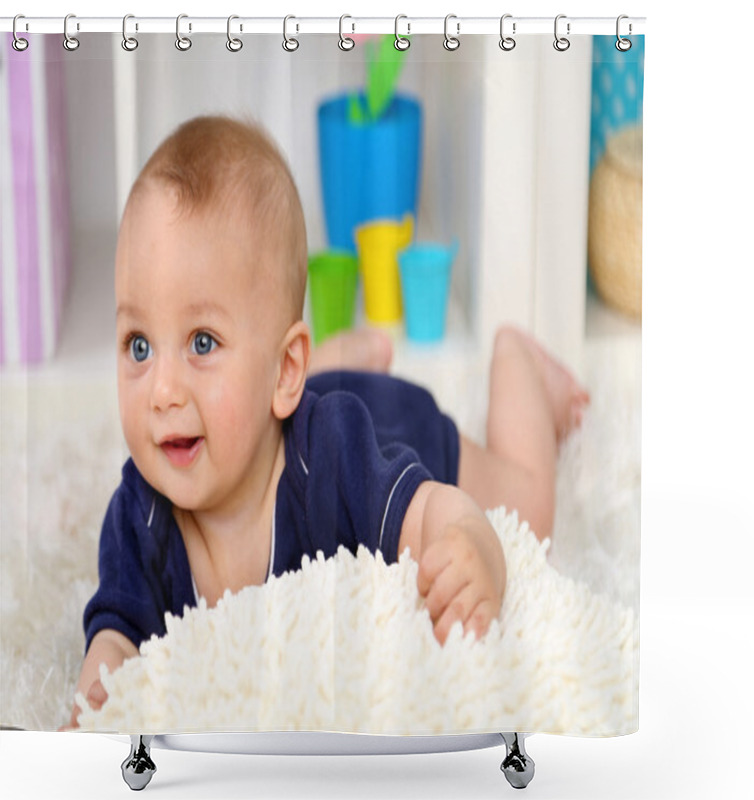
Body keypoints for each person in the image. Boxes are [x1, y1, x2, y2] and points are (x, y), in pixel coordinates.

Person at [63, 115, 588, 729]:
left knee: (530, 512)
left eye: (202, 342)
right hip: (288, 400)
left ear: (285, 369)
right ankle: (344, 355)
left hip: (394, 424)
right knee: (254, 407)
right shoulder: (139, 513)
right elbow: (117, 638)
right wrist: (95, 706)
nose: (162, 390)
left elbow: (434, 512)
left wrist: (475, 548)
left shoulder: (337, 455)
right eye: (139, 345)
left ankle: (517, 361)